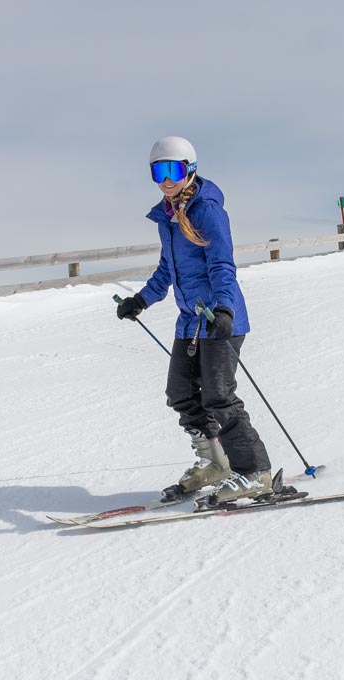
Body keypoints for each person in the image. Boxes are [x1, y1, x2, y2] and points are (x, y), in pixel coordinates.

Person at [116, 136, 273, 504]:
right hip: (190, 323)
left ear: (190, 169)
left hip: (220, 319)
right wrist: (141, 300)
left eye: (173, 169)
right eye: (158, 171)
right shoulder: (168, 217)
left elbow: (221, 265)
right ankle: (215, 463)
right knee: (182, 395)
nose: (166, 179)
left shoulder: (208, 210)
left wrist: (223, 308)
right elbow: (167, 270)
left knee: (219, 397)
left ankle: (254, 472)